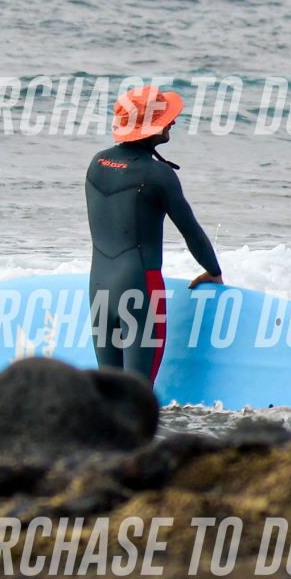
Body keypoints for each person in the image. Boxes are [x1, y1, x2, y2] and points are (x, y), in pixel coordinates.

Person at [87, 83, 223, 381]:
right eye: (165, 118)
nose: (172, 122)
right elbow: (191, 232)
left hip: (98, 286)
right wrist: (213, 271)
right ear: (149, 127)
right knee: (138, 391)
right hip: (140, 287)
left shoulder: (97, 163)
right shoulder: (158, 174)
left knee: (109, 390)